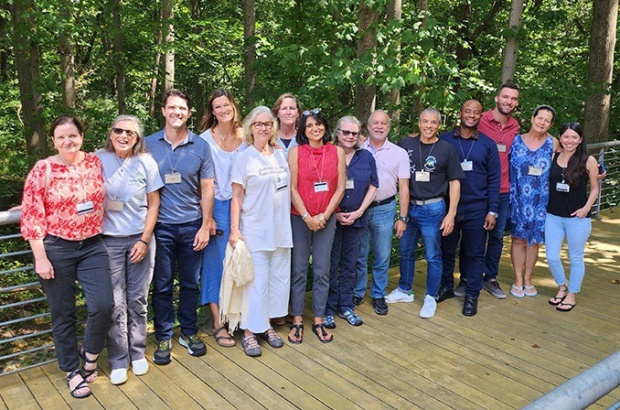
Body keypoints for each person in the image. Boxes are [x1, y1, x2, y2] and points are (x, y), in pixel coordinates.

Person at [21, 115, 113, 399]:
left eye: (72, 135)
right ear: (53, 141)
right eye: (61, 137)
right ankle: (73, 371)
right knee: (64, 313)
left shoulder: (94, 162)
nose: (67, 141)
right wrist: (41, 257)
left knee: (104, 305)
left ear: (82, 137)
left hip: (92, 245)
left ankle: (90, 354)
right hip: (56, 248)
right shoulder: (43, 169)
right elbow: (32, 214)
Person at [145, 89, 214, 365]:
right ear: (163, 111)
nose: (177, 112)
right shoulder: (148, 144)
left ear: (188, 113)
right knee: (161, 285)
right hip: (160, 227)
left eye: (182, 108)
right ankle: (163, 335)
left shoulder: (200, 146)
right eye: (172, 107)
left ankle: (188, 331)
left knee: (189, 283)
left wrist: (205, 224)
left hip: (191, 226)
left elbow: (207, 188)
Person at [97, 115, 163, 384]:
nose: (124, 136)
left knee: (137, 299)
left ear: (138, 138)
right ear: (111, 133)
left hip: (140, 239)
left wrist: (145, 240)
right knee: (115, 302)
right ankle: (118, 359)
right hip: (108, 240)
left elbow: (154, 203)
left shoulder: (145, 161)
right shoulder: (97, 158)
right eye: (119, 130)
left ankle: (137, 353)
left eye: (130, 133)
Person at [229, 106, 293, 356]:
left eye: (267, 124)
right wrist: (235, 230)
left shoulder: (279, 154)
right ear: (250, 128)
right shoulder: (243, 158)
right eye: (259, 124)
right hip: (255, 228)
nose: (263, 128)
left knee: (276, 280)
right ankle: (248, 331)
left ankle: (265, 325)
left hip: (280, 229)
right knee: (255, 283)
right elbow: (236, 196)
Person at [391, 108, 464, 318]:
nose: (428, 126)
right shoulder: (406, 144)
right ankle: (405, 290)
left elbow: (455, 184)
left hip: (433, 209)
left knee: (433, 255)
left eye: (433, 123)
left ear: (439, 125)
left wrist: (451, 214)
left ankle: (431, 296)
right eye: (425, 121)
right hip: (409, 207)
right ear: (419, 122)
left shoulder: (447, 149)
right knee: (405, 251)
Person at [437, 100, 500, 317]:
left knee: (474, 253)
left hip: (477, 208)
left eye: (476, 112)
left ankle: (472, 294)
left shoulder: (488, 144)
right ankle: (446, 286)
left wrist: (492, 210)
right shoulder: (444, 140)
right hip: (448, 207)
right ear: (460, 113)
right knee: (445, 249)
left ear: (481, 116)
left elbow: (494, 180)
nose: (471, 115)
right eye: (467, 111)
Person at [288, 109, 345, 344]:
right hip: (300, 218)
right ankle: (298, 318)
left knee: (323, 270)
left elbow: (340, 188)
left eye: (319, 124)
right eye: (310, 125)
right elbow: (292, 188)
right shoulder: (295, 152)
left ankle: (319, 319)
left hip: (327, 218)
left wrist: (324, 215)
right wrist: (306, 216)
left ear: (325, 127)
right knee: (299, 269)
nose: (315, 129)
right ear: (303, 129)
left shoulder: (337, 152)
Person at [197, 88, 244, 348]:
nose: (223, 110)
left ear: (233, 106)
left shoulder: (246, 137)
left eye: (226, 105)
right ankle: (218, 323)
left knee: (241, 263)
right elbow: (198, 182)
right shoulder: (203, 140)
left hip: (244, 209)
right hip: (215, 209)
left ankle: (240, 317)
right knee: (216, 266)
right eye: (217, 107)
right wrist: (207, 218)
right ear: (212, 112)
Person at [354, 110, 410, 315]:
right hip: (359, 209)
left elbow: (404, 187)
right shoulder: (357, 147)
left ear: (389, 127)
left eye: (383, 123)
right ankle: (358, 292)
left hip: (385, 209)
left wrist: (402, 217)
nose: (379, 126)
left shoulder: (399, 153)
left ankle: (378, 294)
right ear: (367, 126)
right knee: (359, 255)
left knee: (382, 255)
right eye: (375, 123)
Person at [325, 116, 378, 328]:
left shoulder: (366, 157)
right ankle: (328, 308)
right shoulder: (327, 154)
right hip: (331, 221)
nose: (349, 137)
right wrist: (333, 213)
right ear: (337, 132)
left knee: (350, 264)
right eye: (345, 132)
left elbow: (374, 185)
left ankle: (345, 306)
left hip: (356, 220)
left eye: (354, 133)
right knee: (329, 265)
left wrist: (359, 211)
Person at [473, 82, 521, 299]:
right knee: (473, 236)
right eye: (505, 97)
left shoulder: (516, 127)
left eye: (513, 99)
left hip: (503, 191)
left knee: (496, 237)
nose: (508, 101)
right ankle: (467, 277)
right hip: (477, 190)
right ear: (497, 98)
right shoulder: (479, 120)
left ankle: (490, 277)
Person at [545, 123, 599, 312]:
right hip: (553, 216)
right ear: (560, 138)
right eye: (566, 137)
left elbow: (595, 188)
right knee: (551, 256)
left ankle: (572, 294)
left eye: (574, 137)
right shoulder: (554, 156)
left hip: (578, 217)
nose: (570, 141)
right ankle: (562, 286)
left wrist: (586, 208)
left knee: (575, 257)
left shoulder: (588, 160)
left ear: (581, 139)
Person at [509, 105, 559, 298]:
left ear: (550, 124)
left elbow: (571, 159)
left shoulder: (553, 143)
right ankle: (517, 279)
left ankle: (528, 278)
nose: (542, 123)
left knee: (534, 241)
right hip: (518, 198)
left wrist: (596, 169)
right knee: (518, 239)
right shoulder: (516, 141)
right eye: (540, 118)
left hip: (541, 200)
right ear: (532, 118)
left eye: (547, 120)